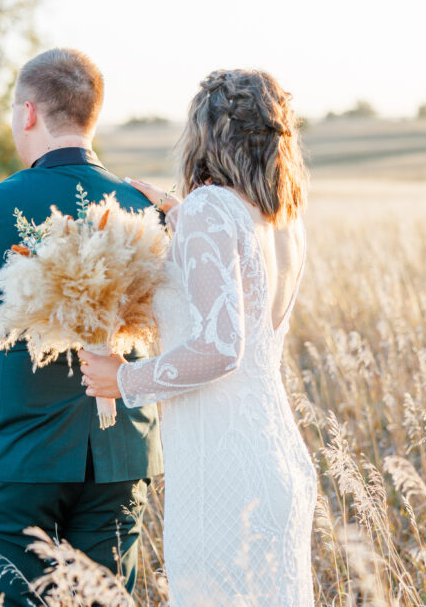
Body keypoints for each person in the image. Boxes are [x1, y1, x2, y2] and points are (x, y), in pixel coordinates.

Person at [0, 48, 163, 606]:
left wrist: (1, 380)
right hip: (118, 456)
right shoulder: (145, 207)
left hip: (14, 451)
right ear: (91, 117)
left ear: (27, 113)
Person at [80, 69, 316, 605]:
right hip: (277, 459)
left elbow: (220, 347)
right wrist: (182, 215)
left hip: (225, 474)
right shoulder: (283, 220)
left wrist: (125, 378)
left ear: (206, 134)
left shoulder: (211, 209)